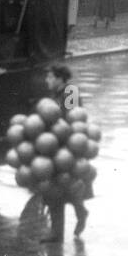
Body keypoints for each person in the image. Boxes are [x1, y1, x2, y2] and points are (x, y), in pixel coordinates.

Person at [39, 64, 89, 243]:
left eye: (50, 77)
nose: (47, 80)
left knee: (68, 185)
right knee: (53, 189)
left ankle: (80, 212)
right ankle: (56, 232)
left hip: (68, 147)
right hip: (54, 145)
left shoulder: (70, 93)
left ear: (60, 78)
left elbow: (71, 119)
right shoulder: (54, 95)